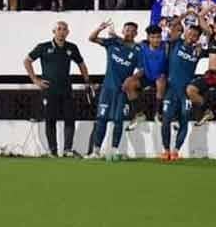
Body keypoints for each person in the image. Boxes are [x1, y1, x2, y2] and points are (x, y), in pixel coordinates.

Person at [25, 21, 91, 157]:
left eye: (64, 29)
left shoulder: (72, 47)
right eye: (59, 29)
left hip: (66, 88)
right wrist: (35, 80)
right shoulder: (43, 47)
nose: (62, 31)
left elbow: (81, 64)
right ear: (54, 32)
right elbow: (27, 61)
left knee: (70, 119)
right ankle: (52, 151)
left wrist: (87, 81)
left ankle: (67, 150)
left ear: (68, 32)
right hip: (49, 89)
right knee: (50, 119)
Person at [86, 20, 143, 161]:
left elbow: (142, 70)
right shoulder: (112, 43)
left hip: (122, 91)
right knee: (101, 119)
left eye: (132, 31)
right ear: (122, 31)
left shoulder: (137, 51)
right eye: (127, 30)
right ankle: (96, 151)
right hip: (107, 89)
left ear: (136, 33)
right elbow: (92, 38)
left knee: (118, 120)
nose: (129, 32)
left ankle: (114, 151)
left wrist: (132, 78)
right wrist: (99, 28)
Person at [160, 19, 206, 161]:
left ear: (198, 38)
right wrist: (187, 14)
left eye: (195, 35)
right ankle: (166, 150)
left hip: (185, 92)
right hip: (171, 90)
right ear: (185, 33)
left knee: (184, 120)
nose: (192, 36)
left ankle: (176, 151)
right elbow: (173, 24)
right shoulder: (175, 43)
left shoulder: (198, 51)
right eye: (190, 33)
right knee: (166, 120)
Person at [137, 25, 168, 127]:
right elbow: (128, 43)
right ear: (148, 38)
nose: (156, 40)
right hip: (146, 77)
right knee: (128, 84)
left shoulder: (166, 46)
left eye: (158, 37)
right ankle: (138, 113)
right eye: (153, 37)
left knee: (161, 79)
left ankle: (158, 112)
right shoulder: (142, 45)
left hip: (160, 78)